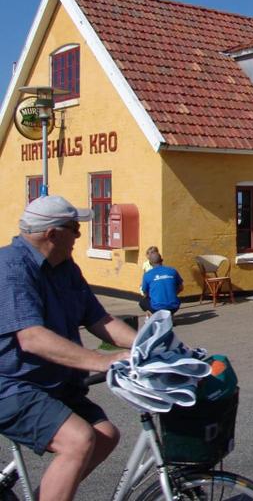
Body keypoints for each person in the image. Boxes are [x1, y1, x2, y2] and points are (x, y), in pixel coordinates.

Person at [0, 195, 136, 501]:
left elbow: (99, 318)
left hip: (51, 384)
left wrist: (152, 346)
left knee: (105, 436)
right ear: (52, 234)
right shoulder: (10, 268)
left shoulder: (64, 267)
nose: (79, 234)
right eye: (74, 228)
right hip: (11, 386)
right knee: (78, 440)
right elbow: (32, 337)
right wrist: (103, 360)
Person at [140, 250, 183, 317]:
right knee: (171, 298)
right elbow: (181, 287)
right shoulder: (172, 271)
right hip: (174, 306)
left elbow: (145, 292)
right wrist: (172, 293)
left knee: (142, 302)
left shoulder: (147, 275)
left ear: (150, 263)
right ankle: (170, 315)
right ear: (162, 260)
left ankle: (152, 316)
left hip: (156, 308)